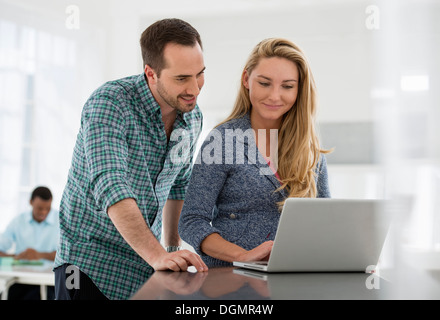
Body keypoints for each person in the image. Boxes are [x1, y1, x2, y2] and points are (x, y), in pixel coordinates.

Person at [53, 18, 208, 301]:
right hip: (87, 266)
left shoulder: (193, 117)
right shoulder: (110, 103)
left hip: (143, 269)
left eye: (199, 74)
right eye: (182, 78)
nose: (195, 89)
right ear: (151, 73)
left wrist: (171, 251)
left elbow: (178, 186)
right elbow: (111, 184)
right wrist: (158, 254)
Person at [178, 38, 331, 267]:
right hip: (230, 280)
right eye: (265, 83)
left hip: (292, 277)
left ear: (299, 90)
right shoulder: (222, 140)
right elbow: (191, 221)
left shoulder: (309, 149)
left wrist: (349, 256)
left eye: (287, 86)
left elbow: (326, 223)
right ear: (246, 79)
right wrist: (242, 256)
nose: (274, 96)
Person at [0, 186, 58, 299]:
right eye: (40, 208)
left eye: (48, 208)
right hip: (21, 280)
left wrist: (40, 255)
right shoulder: (18, 221)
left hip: (50, 282)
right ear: (31, 202)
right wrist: (16, 257)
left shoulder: (61, 220)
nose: (44, 212)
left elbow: (70, 254)